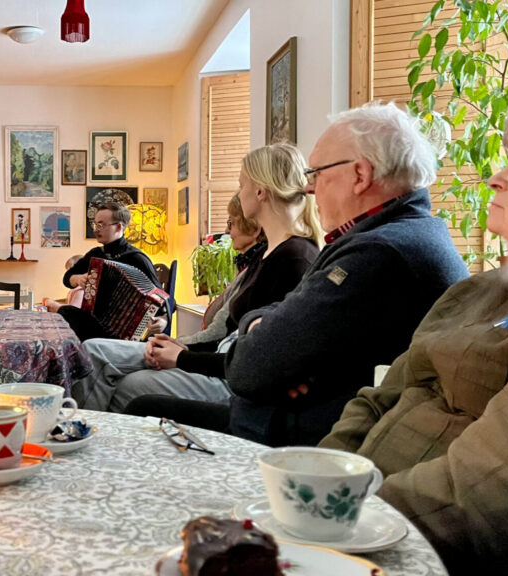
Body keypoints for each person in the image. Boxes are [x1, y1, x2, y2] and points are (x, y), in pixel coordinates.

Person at [319, 77, 508, 575]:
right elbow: (378, 397)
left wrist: (320, 519)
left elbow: (475, 496)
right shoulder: (481, 290)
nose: (496, 178)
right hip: (357, 522)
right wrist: (317, 479)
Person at [130, 103, 470, 446]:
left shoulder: (377, 252)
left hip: (302, 444)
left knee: (141, 409)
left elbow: (250, 368)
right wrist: (262, 329)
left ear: (360, 175)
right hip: (289, 417)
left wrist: (270, 345)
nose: (308, 188)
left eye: (317, 173)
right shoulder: (404, 233)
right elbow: (276, 335)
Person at [78, 144, 321, 411]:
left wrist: (182, 356)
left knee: (127, 384)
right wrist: (179, 346)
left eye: (242, 185)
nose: (239, 193)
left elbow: (257, 358)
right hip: (216, 360)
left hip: (228, 379)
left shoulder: (294, 258)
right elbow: (229, 335)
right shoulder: (266, 254)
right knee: (92, 350)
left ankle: (88, 431)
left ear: (260, 192)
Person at [46, 201, 170, 340]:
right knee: (68, 319)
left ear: (119, 227)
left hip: (123, 333)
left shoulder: (137, 259)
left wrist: (163, 319)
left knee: (67, 314)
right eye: (95, 225)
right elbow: (67, 277)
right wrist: (77, 279)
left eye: (101, 225)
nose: (96, 230)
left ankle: (55, 307)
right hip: (95, 323)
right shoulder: (95, 254)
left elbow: (163, 298)